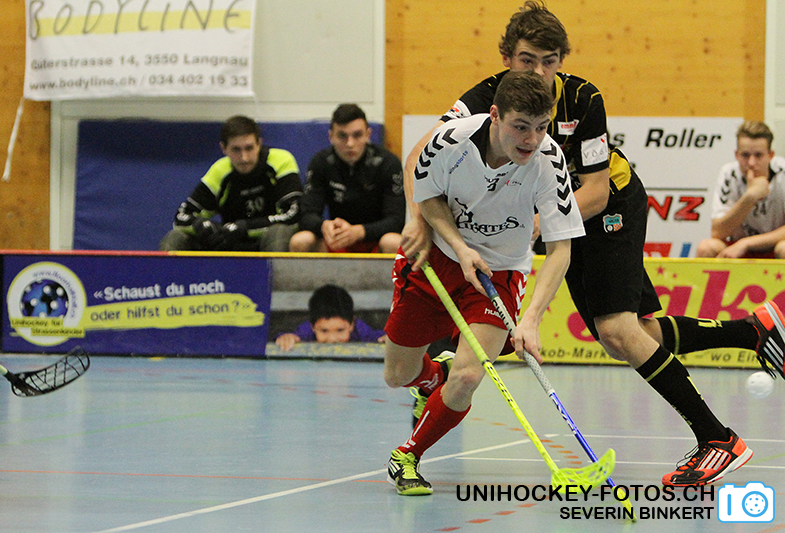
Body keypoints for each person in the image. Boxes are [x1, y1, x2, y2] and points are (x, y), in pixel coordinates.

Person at [399, 1, 785, 489]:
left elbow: (597, 192)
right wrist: (416, 217)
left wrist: (532, 225)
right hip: (557, 212)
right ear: (507, 58)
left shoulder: (583, 98)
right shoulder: (487, 98)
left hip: (609, 206)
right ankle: (751, 332)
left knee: (618, 332)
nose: (538, 73)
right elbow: (420, 154)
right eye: (527, 60)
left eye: (549, 61)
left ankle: (718, 438)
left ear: (562, 60)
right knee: (635, 333)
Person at [385, 71, 586, 496]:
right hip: (438, 255)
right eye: (521, 127)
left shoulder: (548, 163)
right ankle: (431, 378)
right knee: (396, 374)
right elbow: (427, 195)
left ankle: (408, 455)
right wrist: (459, 247)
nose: (532, 139)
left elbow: (560, 250)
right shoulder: (450, 141)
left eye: (542, 127)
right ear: (494, 116)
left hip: (500, 271)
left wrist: (531, 319)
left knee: (468, 376)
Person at [159, 115, 302, 252]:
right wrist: (201, 225)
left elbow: (294, 217)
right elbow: (181, 217)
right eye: (236, 150)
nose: (244, 158)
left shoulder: (281, 161)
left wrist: (245, 227)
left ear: (259, 144)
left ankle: (274, 271)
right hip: (229, 243)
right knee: (175, 238)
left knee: (279, 233)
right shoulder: (220, 170)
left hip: (265, 240)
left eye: (249, 148)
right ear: (224, 148)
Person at [288, 104, 405, 253]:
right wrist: (324, 226)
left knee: (394, 242)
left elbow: (396, 221)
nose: (350, 144)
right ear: (331, 136)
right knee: (301, 240)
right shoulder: (321, 162)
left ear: (368, 135)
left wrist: (359, 232)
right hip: (336, 239)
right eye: (342, 136)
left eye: (357, 135)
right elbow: (306, 215)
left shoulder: (388, 163)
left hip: (374, 240)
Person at [697, 121, 785, 259]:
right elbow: (717, 232)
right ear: (736, 155)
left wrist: (746, 243)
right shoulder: (729, 174)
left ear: (771, 155)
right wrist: (749, 197)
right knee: (706, 248)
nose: (751, 163)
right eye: (745, 155)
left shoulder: (783, 173)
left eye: (758, 155)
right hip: (736, 248)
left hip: (773, 245)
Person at [275, 284, 386, 351]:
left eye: (340, 330)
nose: (332, 339)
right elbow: (290, 337)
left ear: (352, 325)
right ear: (312, 327)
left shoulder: (359, 329)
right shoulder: (307, 331)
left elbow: (377, 337)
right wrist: (286, 338)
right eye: (324, 331)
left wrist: (388, 338)